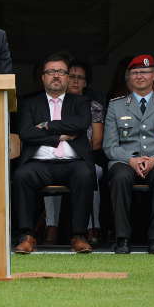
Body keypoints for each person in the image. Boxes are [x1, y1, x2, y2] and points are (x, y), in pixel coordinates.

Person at [12, 53, 95, 254]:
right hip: (39, 163)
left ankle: (79, 236)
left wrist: (46, 125)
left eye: (61, 72)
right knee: (22, 175)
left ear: (68, 77)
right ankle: (27, 236)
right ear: (43, 77)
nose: (56, 76)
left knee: (85, 174)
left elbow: (81, 124)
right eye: (51, 72)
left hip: (72, 162)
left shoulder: (80, 102)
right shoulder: (30, 103)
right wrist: (58, 137)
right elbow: (26, 133)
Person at [103, 54, 154, 254]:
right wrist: (131, 160)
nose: (139, 76)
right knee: (120, 177)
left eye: (144, 72)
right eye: (135, 72)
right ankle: (122, 239)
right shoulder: (116, 105)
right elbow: (109, 146)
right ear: (128, 77)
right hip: (125, 160)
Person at [43, 60, 105, 245]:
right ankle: (51, 226)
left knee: (93, 172)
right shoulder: (51, 103)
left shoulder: (93, 106)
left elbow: (97, 142)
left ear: (86, 82)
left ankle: (92, 227)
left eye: (80, 78)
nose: (76, 81)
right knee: (43, 169)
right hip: (53, 155)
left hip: (82, 158)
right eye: (72, 76)